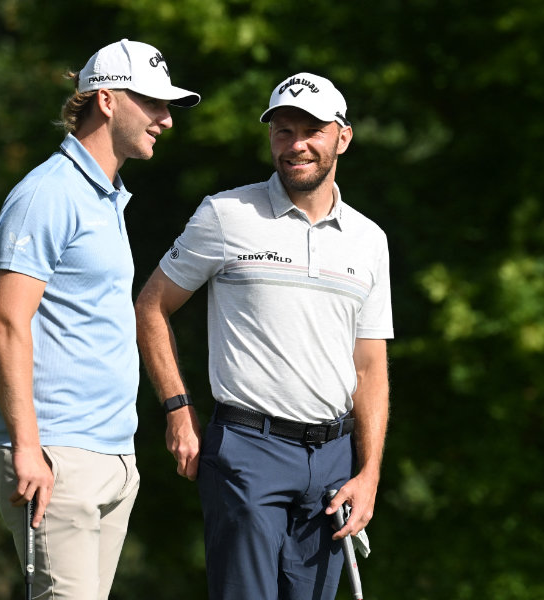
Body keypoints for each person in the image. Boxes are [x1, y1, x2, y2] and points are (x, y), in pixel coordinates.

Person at [135, 72, 392, 600]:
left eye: (313, 130)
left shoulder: (370, 240)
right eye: (283, 130)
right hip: (247, 450)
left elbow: (369, 367)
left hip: (333, 462)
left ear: (343, 137)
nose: (296, 144)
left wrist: (368, 474)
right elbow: (151, 306)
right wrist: (178, 411)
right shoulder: (226, 214)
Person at [0, 39, 199, 599]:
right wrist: (28, 446)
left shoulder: (106, 197)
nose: (166, 120)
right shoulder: (48, 193)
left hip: (111, 457)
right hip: (54, 453)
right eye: (153, 103)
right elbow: (7, 322)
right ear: (106, 100)